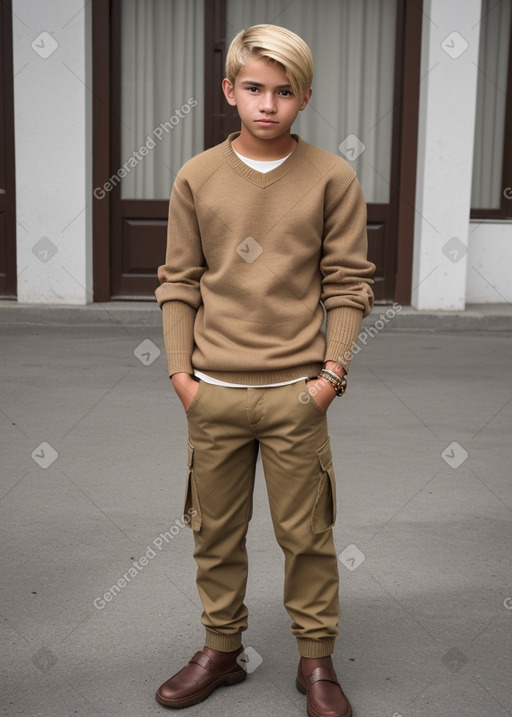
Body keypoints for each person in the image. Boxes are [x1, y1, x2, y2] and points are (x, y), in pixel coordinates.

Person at [154, 23, 374, 717]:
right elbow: (178, 282)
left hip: (295, 396)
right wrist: (181, 376)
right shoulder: (196, 176)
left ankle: (316, 662)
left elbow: (348, 285)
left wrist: (329, 377)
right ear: (229, 91)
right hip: (212, 394)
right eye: (253, 88)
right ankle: (221, 650)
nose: (267, 104)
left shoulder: (332, 178)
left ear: (303, 97)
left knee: (306, 536)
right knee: (214, 534)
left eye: (283, 92)